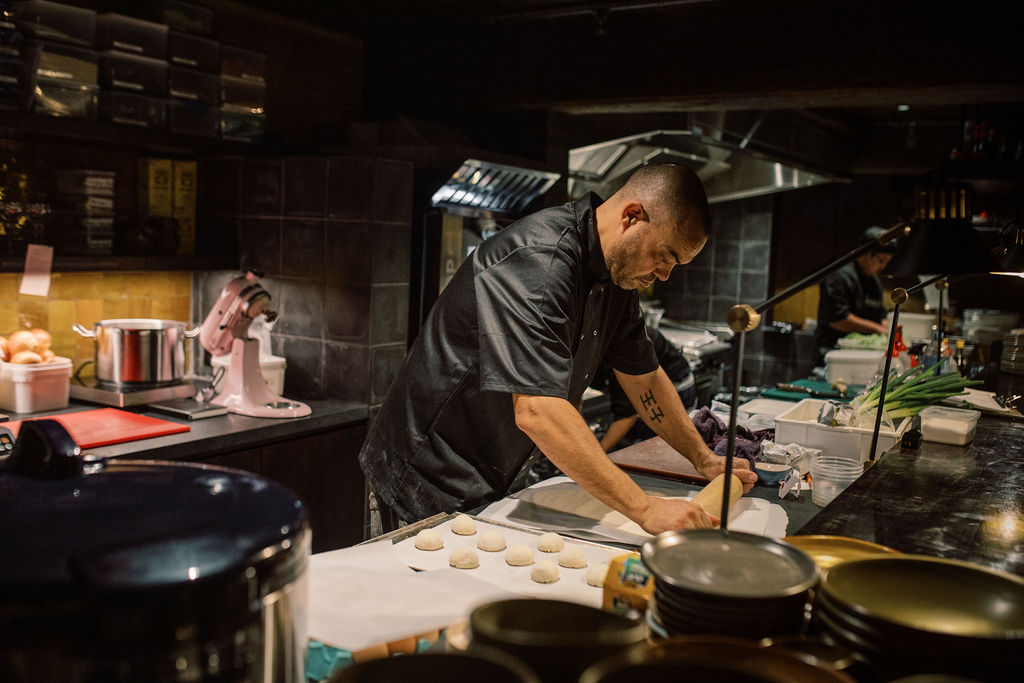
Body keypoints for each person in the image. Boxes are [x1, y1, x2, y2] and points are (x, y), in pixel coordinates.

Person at [358, 164, 757, 535]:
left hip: (489, 476)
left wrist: (701, 457)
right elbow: (537, 410)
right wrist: (647, 509)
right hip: (423, 477)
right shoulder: (541, 262)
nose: (665, 275)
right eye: (664, 256)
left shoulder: (617, 280)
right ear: (632, 216)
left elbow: (645, 379)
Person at [596, 325, 697, 452]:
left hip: (676, 384)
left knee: (654, 449)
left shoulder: (618, 356)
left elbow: (626, 417)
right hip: (644, 381)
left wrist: (597, 454)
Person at [814, 226, 897, 366]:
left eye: (886, 263)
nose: (883, 267)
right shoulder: (839, 276)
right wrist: (877, 329)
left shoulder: (874, 281)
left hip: (864, 355)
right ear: (865, 253)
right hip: (832, 355)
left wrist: (891, 330)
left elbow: (879, 314)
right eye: (881, 261)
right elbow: (839, 319)